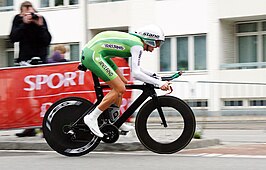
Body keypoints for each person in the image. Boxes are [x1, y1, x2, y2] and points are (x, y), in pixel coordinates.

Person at [81, 24, 171, 138]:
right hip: (94, 55)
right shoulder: (137, 45)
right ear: (150, 39)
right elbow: (136, 73)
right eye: (156, 44)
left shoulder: (135, 42)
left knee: (122, 84)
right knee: (119, 88)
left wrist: (155, 76)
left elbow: (137, 68)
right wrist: (159, 83)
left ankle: (115, 120)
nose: (155, 48)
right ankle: (91, 117)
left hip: (100, 54)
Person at [9, 1, 52, 137]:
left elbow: (47, 40)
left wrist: (39, 26)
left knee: (42, 96)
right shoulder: (18, 20)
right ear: (21, 12)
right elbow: (13, 38)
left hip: (40, 61)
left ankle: (44, 126)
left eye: (30, 11)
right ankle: (29, 126)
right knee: (24, 96)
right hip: (24, 62)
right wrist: (24, 24)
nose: (29, 14)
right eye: (25, 12)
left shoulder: (39, 19)